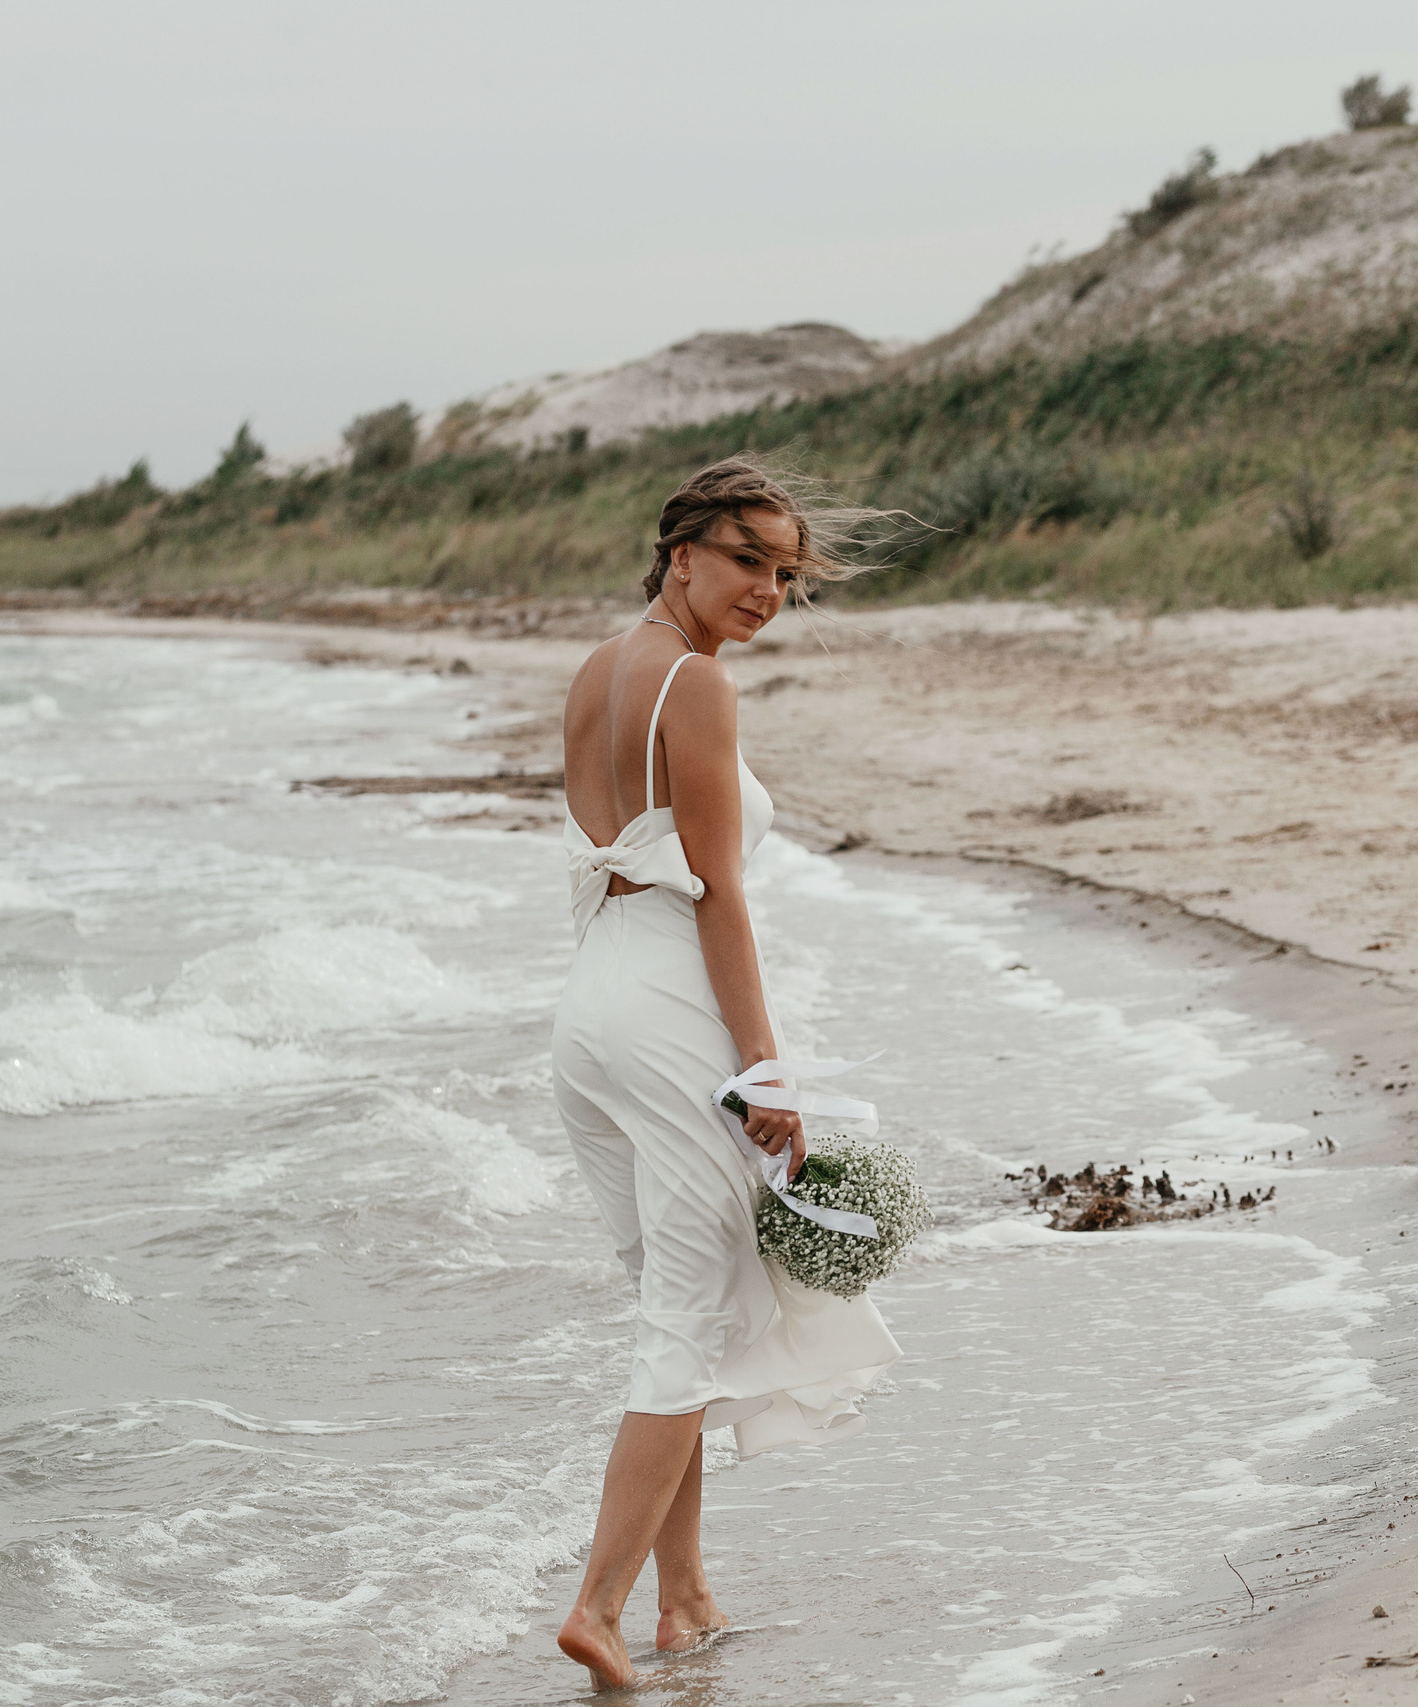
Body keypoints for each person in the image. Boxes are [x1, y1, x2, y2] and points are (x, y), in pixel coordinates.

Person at [550, 456, 900, 1687]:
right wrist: (767, 1069)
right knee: (688, 1324)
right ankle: (597, 1606)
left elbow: (619, 858)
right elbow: (717, 895)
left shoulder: (600, 669)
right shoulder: (693, 683)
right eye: (747, 559)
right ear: (681, 551)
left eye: (785, 572)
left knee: (676, 1318)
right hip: (663, 1013)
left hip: (590, 1012)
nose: (767, 590)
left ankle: (684, 1598)